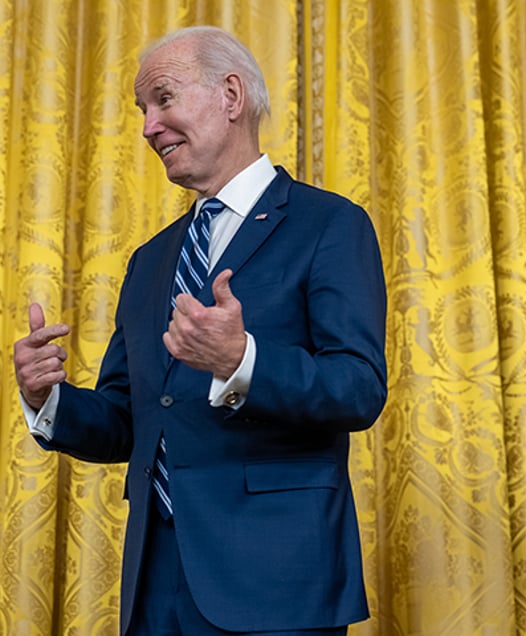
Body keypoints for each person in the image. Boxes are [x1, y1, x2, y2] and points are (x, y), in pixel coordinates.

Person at [13, 26, 387, 636]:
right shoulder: (150, 259)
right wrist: (46, 399)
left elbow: (359, 387)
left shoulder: (330, 224)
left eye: (163, 99)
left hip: (275, 582)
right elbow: (127, 419)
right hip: (155, 581)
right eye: (141, 110)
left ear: (231, 96)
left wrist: (243, 360)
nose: (147, 127)